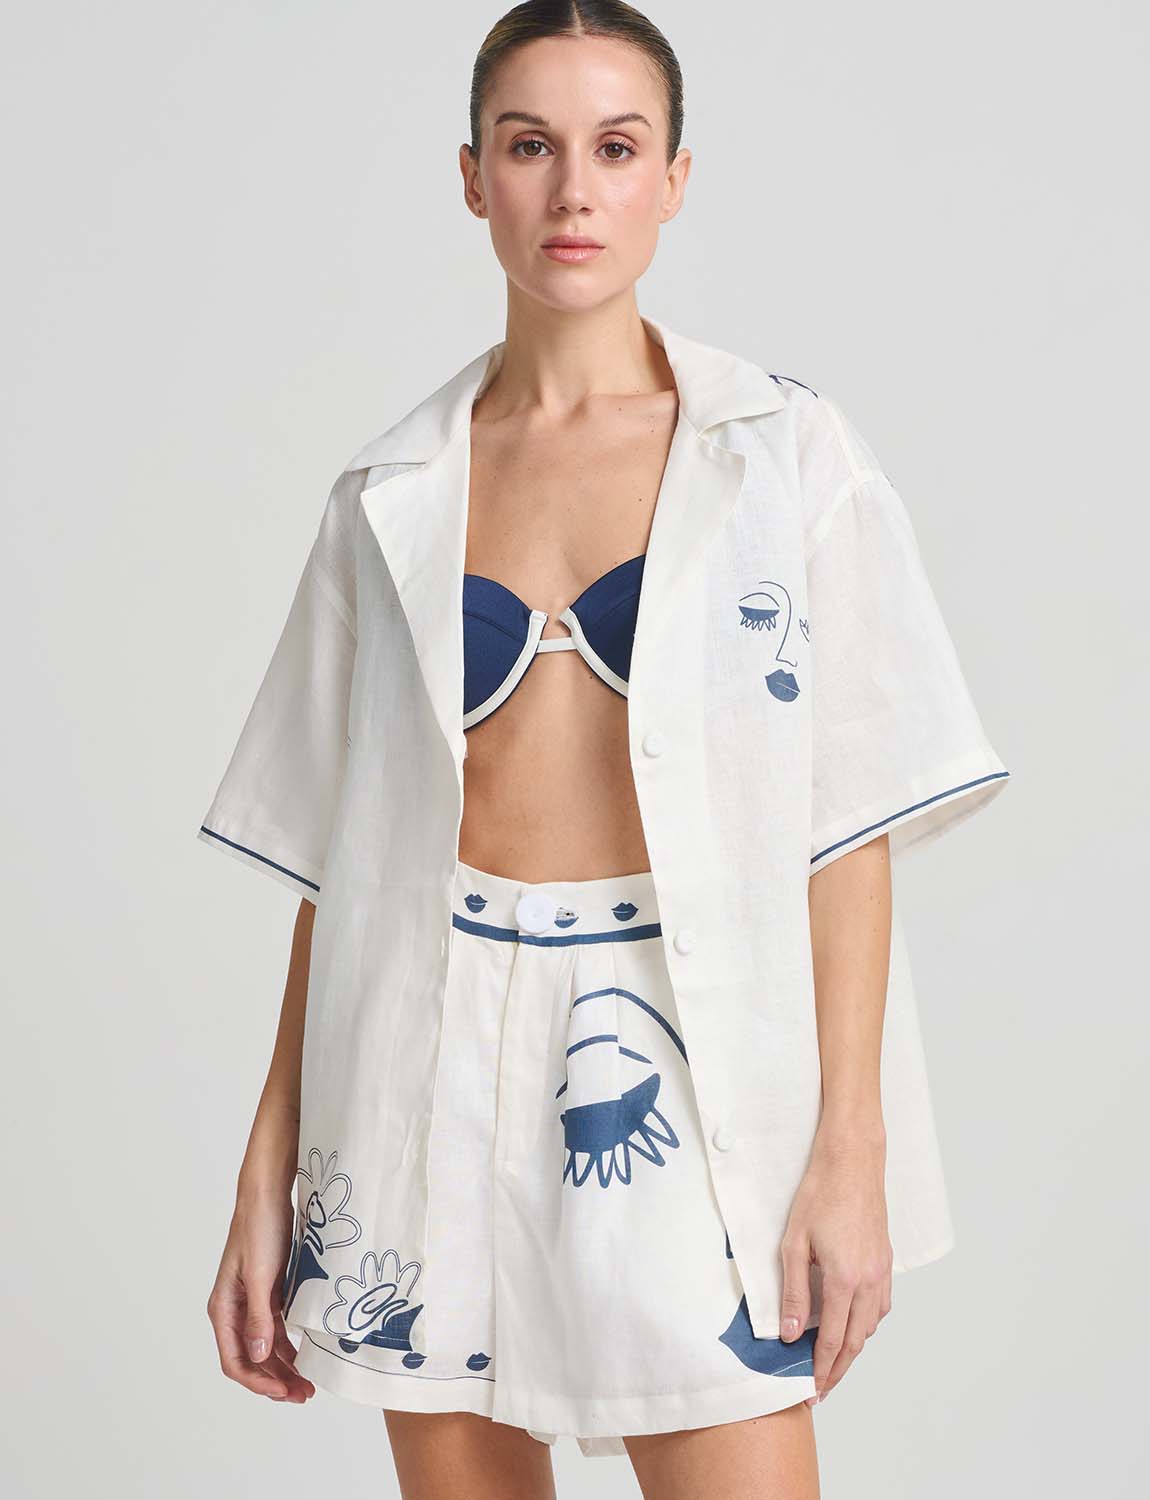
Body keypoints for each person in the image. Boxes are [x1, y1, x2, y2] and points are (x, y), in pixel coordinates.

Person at [199, 3, 1011, 1496]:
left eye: (616, 148)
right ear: (472, 177)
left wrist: (852, 1150)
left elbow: (849, 830)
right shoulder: (386, 494)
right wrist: (272, 1170)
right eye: (530, 146)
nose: (573, 189)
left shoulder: (784, 456)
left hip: (681, 1056)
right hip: (422, 1062)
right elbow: (339, 873)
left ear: (673, 179)